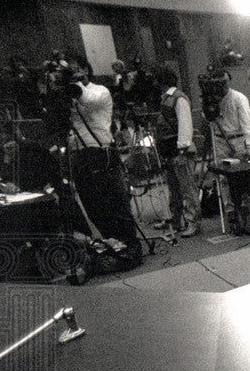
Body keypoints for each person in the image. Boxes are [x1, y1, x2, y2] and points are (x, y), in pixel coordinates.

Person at [62, 60, 142, 266]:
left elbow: (88, 100)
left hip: (101, 152)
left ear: (86, 70)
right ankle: (113, 243)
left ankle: (131, 246)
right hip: (78, 155)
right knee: (92, 206)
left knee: (115, 203)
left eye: (77, 70)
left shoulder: (100, 91)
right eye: (70, 72)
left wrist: (75, 84)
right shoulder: (67, 94)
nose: (74, 74)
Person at [154, 64, 201, 238]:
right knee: (175, 189)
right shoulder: (167, 98)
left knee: (187, 188)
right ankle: (177, 220)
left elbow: (185, 125)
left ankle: (193, 221)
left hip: (179, 150)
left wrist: (183, 150)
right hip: (170, 150)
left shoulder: (178, 99)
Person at [207, 69, 250, 231]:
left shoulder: (238, 98)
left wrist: (247, 146)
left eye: (224, 82)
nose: (221, 86)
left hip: (237, 140)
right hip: (219, 140)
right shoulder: (211, 99)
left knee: (241, 177)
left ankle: (245, 209)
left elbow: (247, 124)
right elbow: (208, 118)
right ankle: (230, 211)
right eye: (217, 83)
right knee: (223, 178)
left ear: (229, 81)